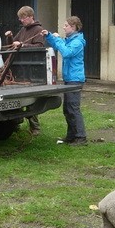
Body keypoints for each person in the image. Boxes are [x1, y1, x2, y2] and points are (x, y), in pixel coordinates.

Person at [41, 16, 87, 146]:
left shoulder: (77, 42)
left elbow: (66, 52)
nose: (63, 27)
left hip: (75, 79)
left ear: (73, 27)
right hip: (69, 78)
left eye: (66, 25)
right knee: (67, 109)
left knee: (73, 108)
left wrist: (57, 40)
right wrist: (49, 36)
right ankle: (71, 136)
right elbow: (58, 44)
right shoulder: (69, 40)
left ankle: (81, 137)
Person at [5, 6, 45, 135]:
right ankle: (14, 124)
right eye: (20, 18)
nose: (21, 20)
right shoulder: (23, 30)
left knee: (30, 101)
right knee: (16, 99)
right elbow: (13, 44)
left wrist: (23, 45)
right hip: (18, 68)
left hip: (31, 69)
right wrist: (10, 37)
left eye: (23, 18)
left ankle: (35, 128)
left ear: (30, 17)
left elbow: (39, 47)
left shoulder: (39, 30)